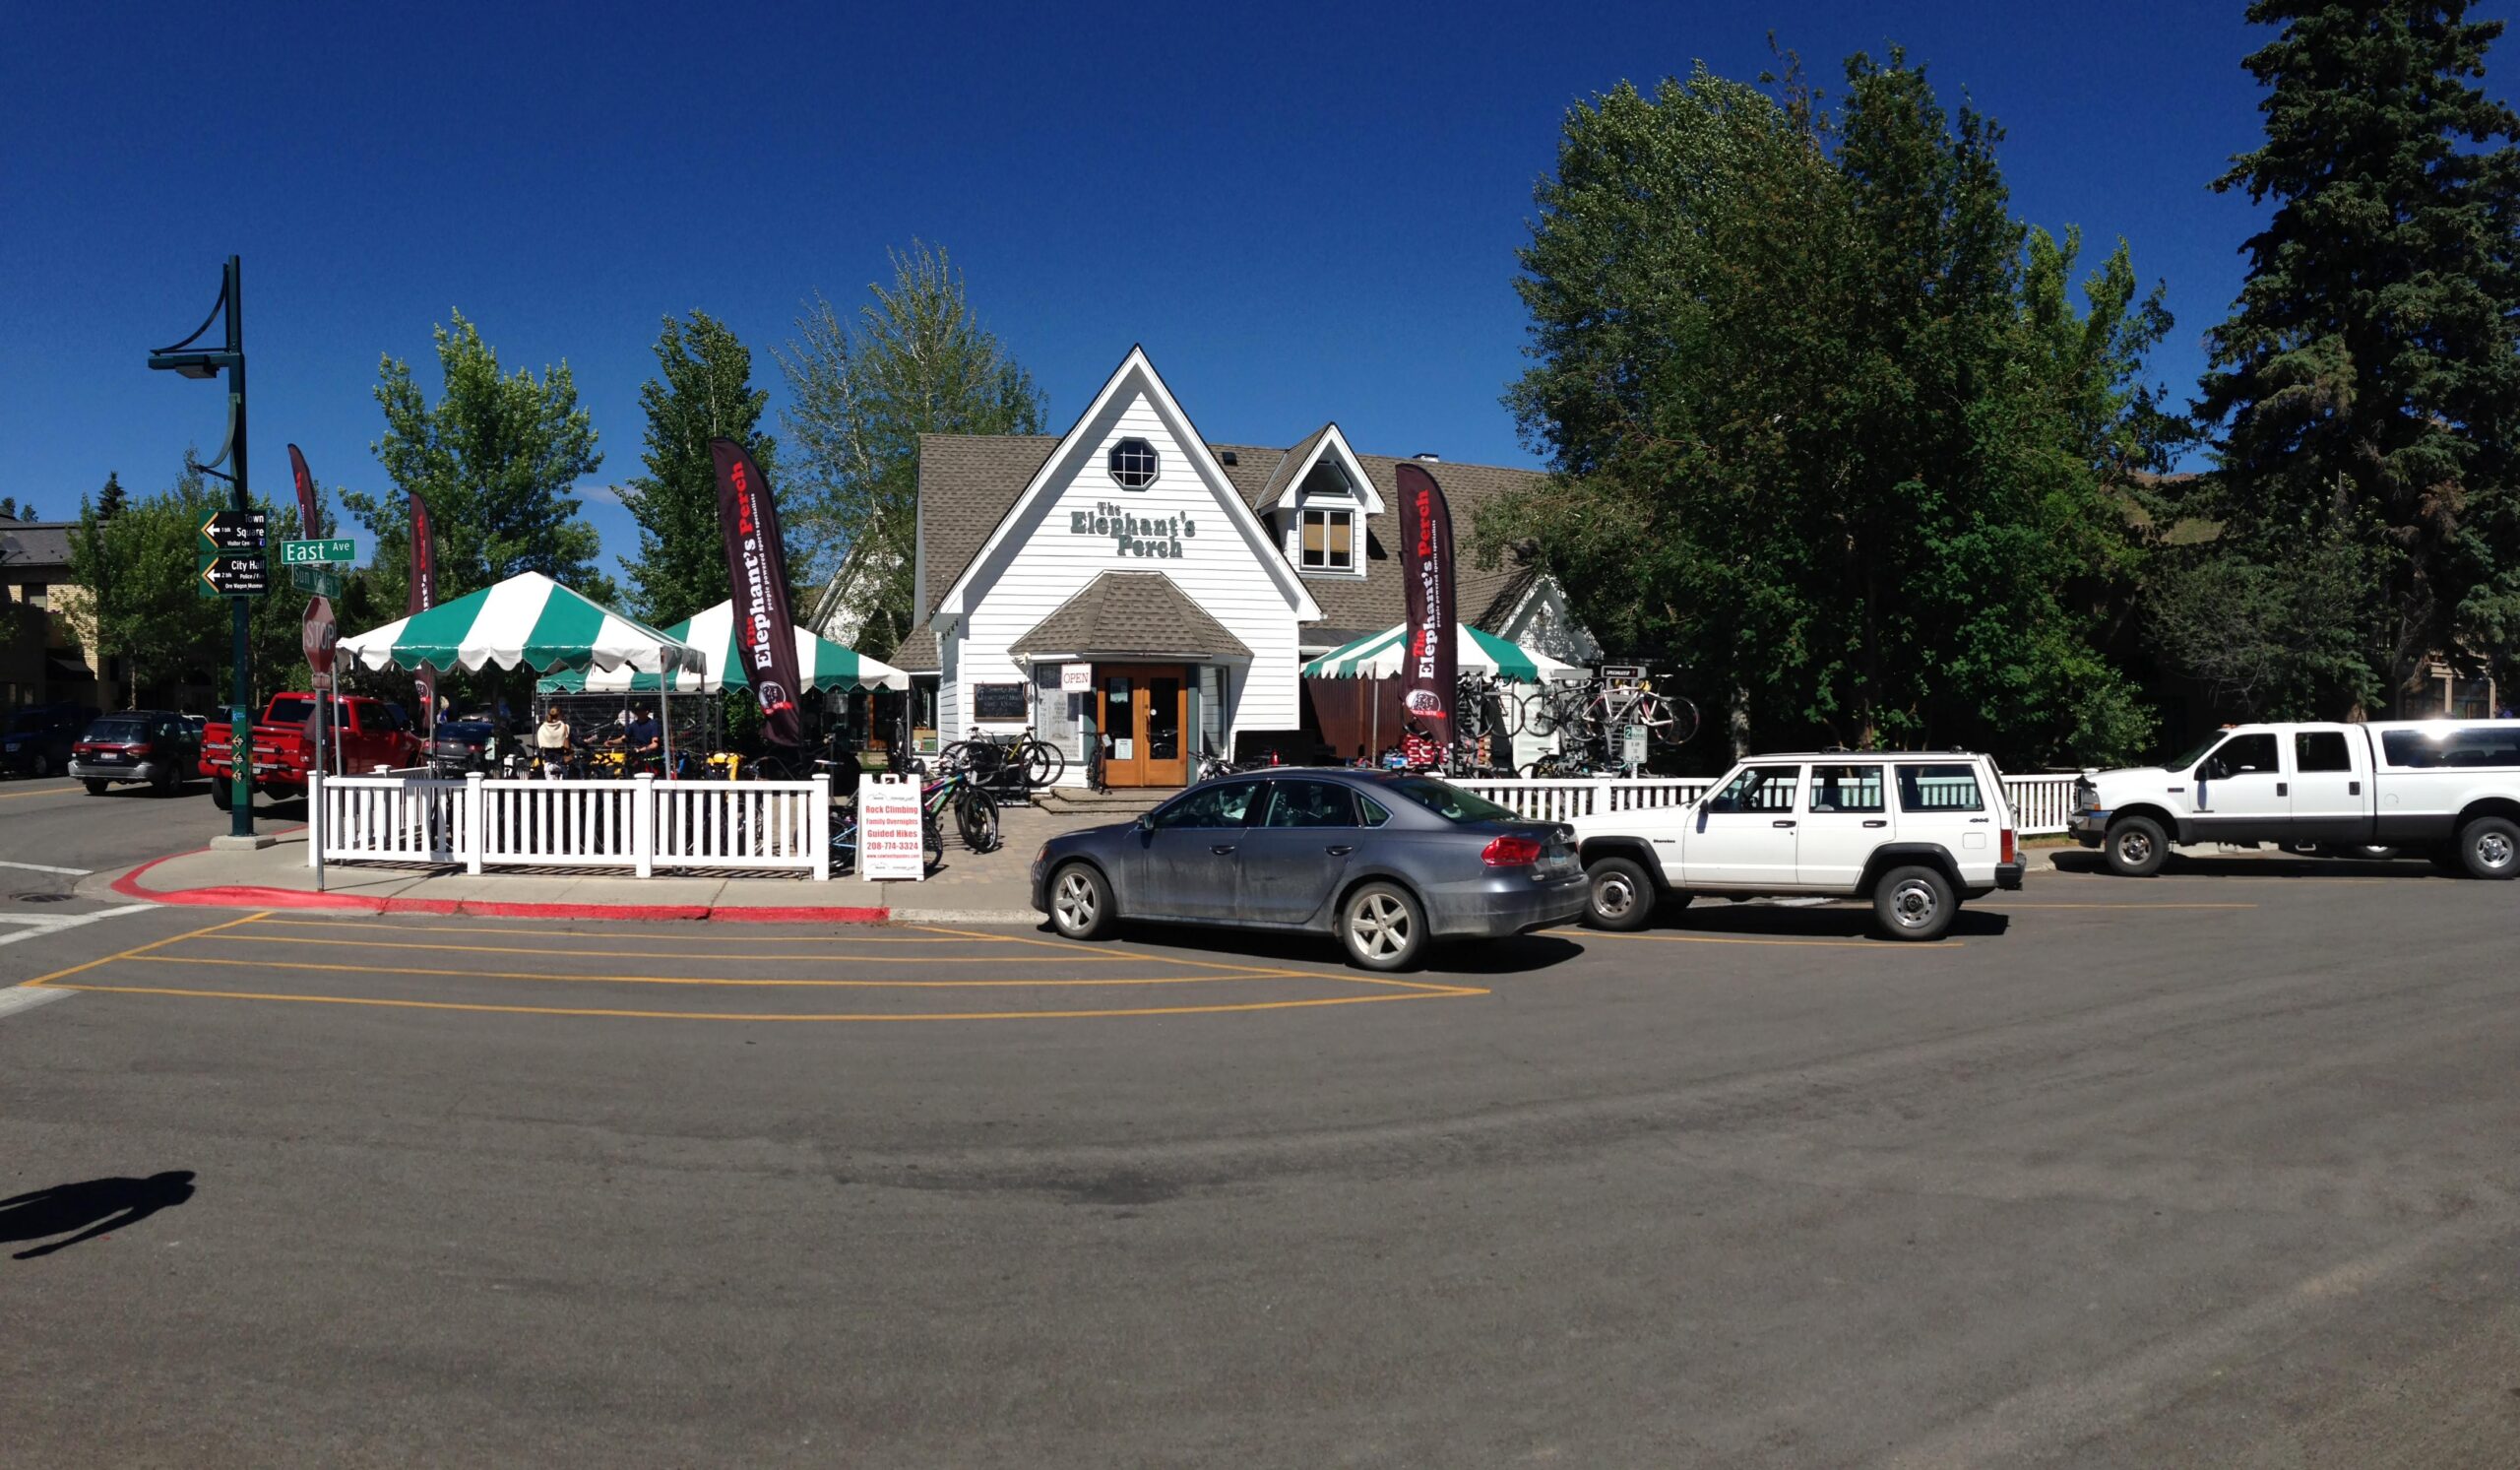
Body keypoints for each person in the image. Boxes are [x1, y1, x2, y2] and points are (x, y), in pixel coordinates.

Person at [535, 707, 574, 778]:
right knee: (563, 786)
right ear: (560, 715)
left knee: (550, 786)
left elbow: (540, 744)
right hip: (562, 760)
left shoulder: (542, 728)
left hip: (548, 762)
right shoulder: (564, 727)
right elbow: (576, 741)